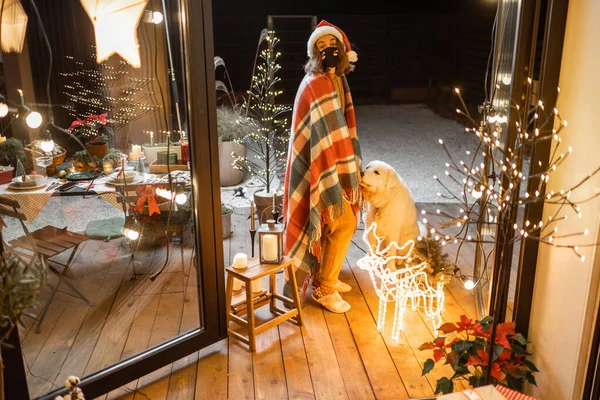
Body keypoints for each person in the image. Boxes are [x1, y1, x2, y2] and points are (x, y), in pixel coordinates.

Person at [283, 20, 362, 313]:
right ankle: (324, 287)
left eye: (332, 45)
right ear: (314, 54)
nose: (327, 50)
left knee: (338, 221)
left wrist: (346, 163)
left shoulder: (337, 79)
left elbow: (341, 128)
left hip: (335, 163)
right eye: (321, 46)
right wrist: (336, 170)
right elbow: (318, 138)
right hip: (320, 165)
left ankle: (325, 274)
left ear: (342, 50)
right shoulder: (316, 84)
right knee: (343, 221)